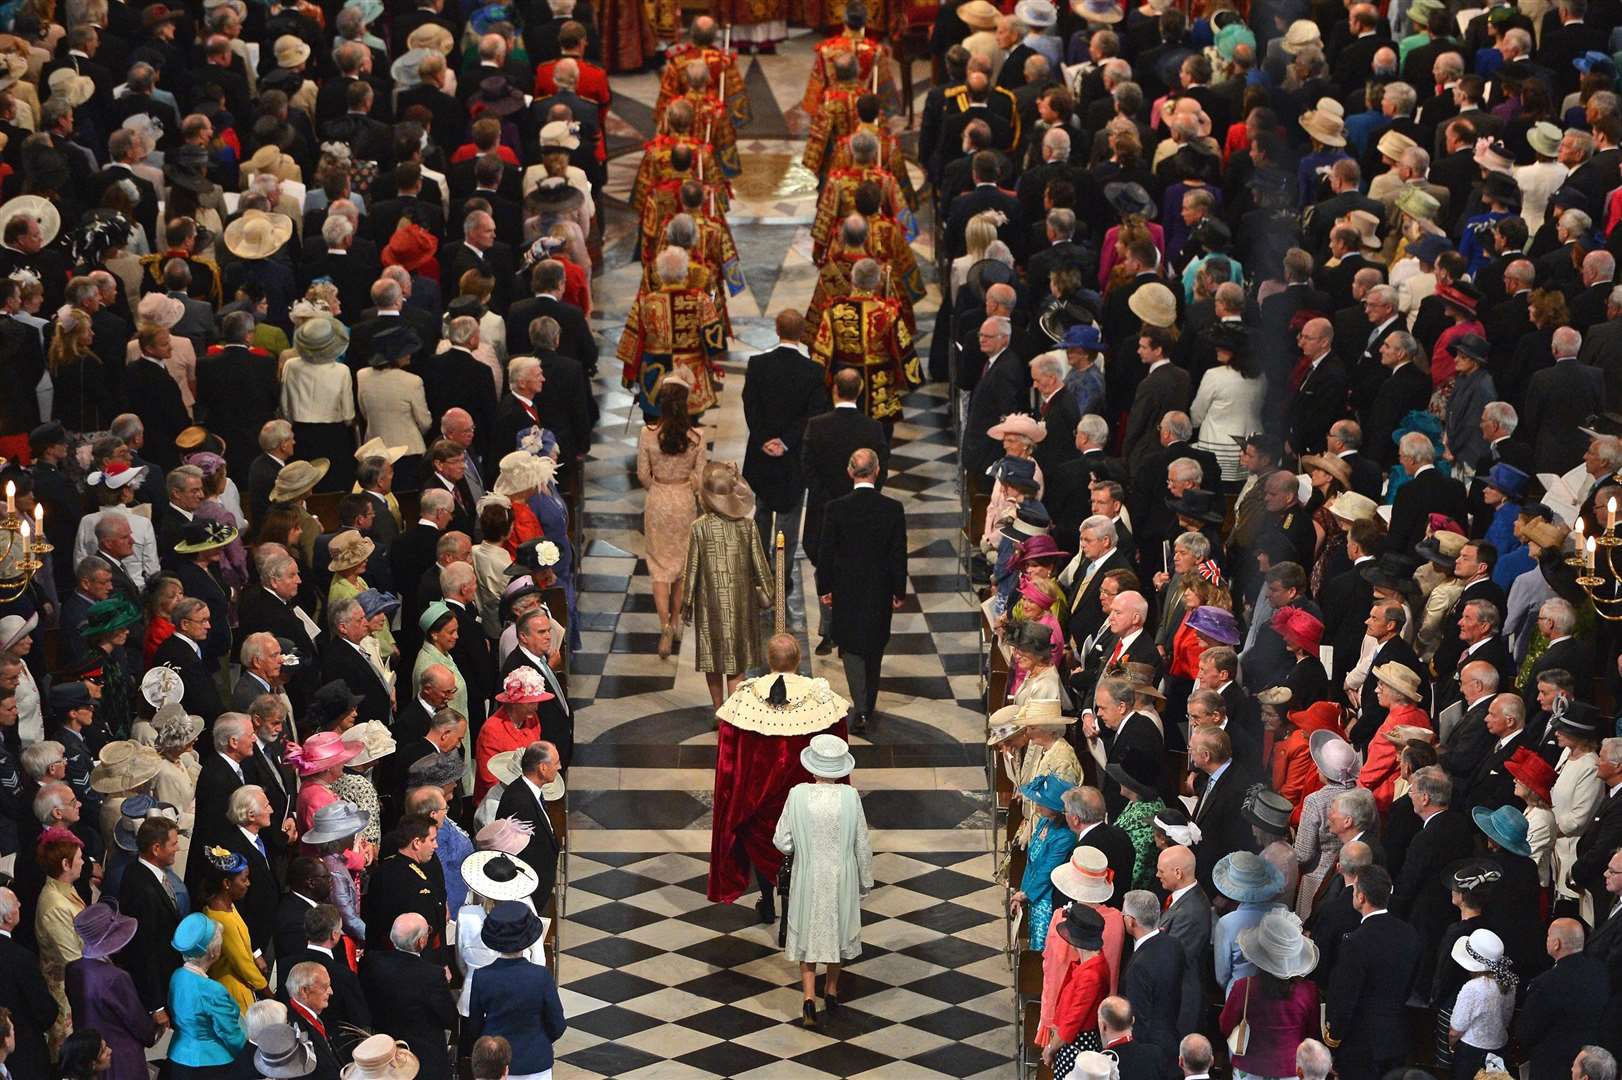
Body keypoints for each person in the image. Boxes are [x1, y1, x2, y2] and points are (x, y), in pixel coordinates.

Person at [773, 734, 873, 1028]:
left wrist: (800, 847)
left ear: (812, 766)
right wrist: (865, 879)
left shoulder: (797, 794)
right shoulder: (850, 797)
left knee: (808, 934)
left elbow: (782, 841)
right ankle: (830, 990)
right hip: (841, 876)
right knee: (837, 931)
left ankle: (807, 998)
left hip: (808, 875)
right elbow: (862, 843)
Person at [815, 448, 908, 733]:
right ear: (877, 471)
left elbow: (826, 552)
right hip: (879, 587)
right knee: (875, 645)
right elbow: (898, 554)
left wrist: (826, 587)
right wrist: (899, 590)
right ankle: (867, 704)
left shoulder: (836, 508)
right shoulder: (892, 509)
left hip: (847, 588)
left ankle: (862, 706)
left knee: (852, 647)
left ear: (849, 472)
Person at [682, 461, 773, 709]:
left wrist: (687, 602)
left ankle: (718, 710)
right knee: (736, 662)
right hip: (741, 604)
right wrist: (771, 592)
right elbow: (760, 563)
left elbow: (692, 568)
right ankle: (733, 715)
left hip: (708, 603)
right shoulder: (747, 527)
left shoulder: (699, 527)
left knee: (713, 660)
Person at [466, 902, 566, 1079]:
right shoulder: (541, 976)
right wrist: (538, 1040)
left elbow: (474, 1026)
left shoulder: (482, 977)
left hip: (494, 1064)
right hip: (535, 1061)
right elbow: (557, 1024)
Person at [65, 901, 162, 1080]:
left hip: (88, 1060)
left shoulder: (72, 969)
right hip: (121, 1061)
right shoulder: (115, 977)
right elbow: (139, 1024)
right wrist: (157, 1030)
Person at [1220, 908, 1321, 1080]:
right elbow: (1312, 1034)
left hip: (1249, 1067)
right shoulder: (1308, 991)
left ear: (1260, 953)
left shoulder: (1244, 987)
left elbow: (1226, 1025)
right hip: (1290, 1069)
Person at [167, 913, 248, 1076]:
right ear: (213, 952)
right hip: (210, 1065)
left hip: (177, 1058)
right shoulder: (212, 990)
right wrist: (251, 1055)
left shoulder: (177, 976)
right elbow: (231, 1035)